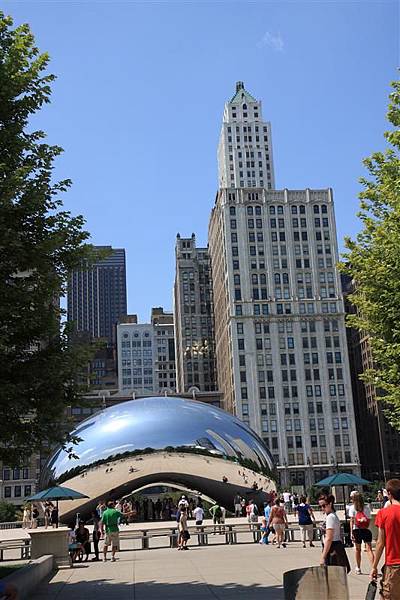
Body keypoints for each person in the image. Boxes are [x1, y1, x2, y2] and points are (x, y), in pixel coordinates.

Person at [371, 479, 400, 599]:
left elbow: (380, 543)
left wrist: (374, 566)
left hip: (393, 564)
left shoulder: (384, 513)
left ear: (389, 493)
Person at [318, 494, 350, 572]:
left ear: (330, 504)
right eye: (320, 506)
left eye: (324, 506)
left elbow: (329, 538)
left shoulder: (330, 517)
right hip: (336, 547)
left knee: (333, 576)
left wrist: (323, 556)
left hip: (333, 548)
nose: (322, 508)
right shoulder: (332, 516)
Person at [348, 492, 374, 575]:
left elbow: (352, 521)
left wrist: (351, 532)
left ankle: (358, 567)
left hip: (357, 530)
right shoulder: (367, 508)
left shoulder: (352, 508)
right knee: (369, 549)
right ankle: (373, 567)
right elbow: (369, 520)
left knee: (358, 550)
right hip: (366, 530)